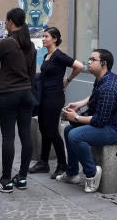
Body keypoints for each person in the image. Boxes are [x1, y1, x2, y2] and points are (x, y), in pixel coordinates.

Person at [57, 48, 117, 193]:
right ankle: (72, 173)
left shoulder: (108, 87)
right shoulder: (103, 79)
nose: (89, 62)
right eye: (89, 59)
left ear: (104, 64)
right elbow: (95, 96)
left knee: (75, 135)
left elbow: (99, 121)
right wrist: (79, 104)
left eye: (93, 60)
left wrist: (76, 117)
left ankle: (92, 174)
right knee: (68, 130)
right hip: (108, 124)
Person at [0, 7, 36, 192]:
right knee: (26, 135)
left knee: (8, 136)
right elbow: (32, 75)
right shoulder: (30, 45)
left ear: (10, 22)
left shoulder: (6, 44)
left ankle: (6, 180)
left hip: (8, 93)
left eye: (7, 21)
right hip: (26, 93)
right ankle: (22, 178)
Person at [28, 27, 84, 179]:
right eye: (43, 36)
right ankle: (43, 162)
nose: (43, 39)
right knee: (43, 129)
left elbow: (79, 66)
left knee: (52, 130)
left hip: (54, 97)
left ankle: (62, 164)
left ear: (55, 39)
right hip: (44, 96)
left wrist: (67, 80)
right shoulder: (47, 56)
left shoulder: (59, 55)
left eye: (46, 36)